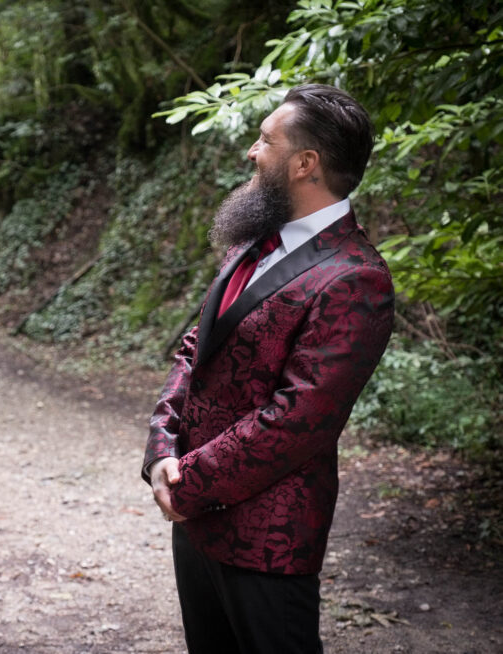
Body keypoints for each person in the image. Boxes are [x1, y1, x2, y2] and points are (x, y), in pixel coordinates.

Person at [142, 84, 395, 653]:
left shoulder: (355, 276)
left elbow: (298, 419)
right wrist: (162, 449)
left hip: (268, 539)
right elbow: (194, 350)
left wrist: (190, 484)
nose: (251, 153)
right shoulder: (253, 242)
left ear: (307, 163)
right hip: (197, 520)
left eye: (265, 140)